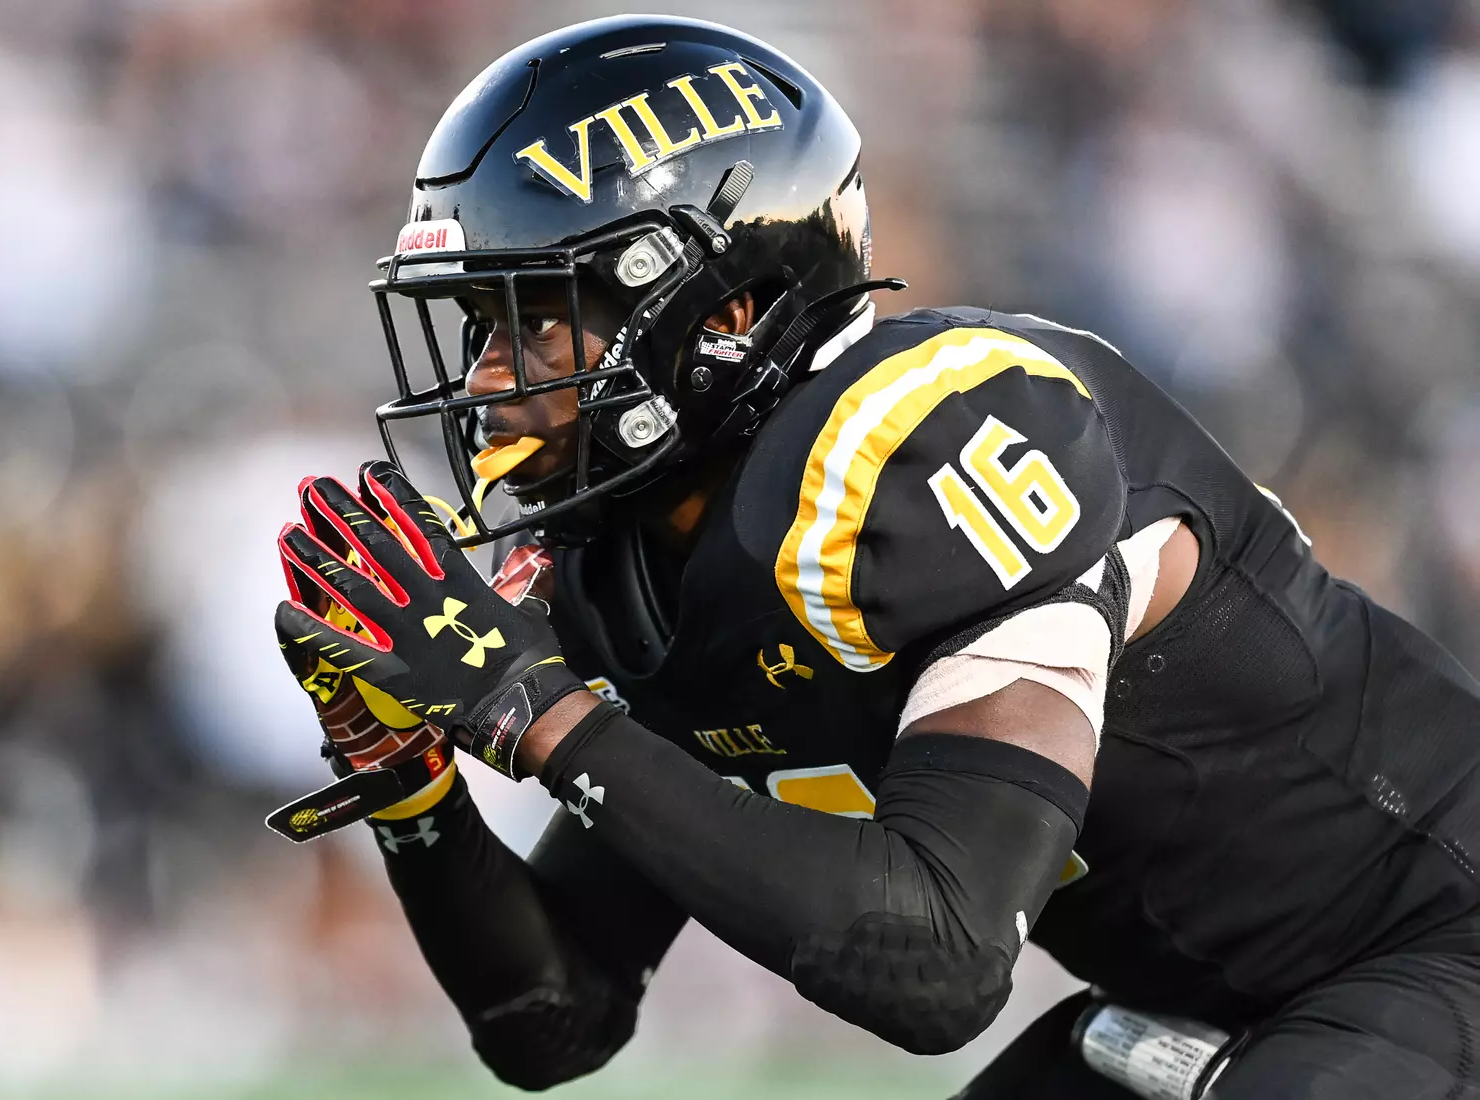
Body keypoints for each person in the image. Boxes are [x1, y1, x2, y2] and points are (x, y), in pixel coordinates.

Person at [268, 16, 1480, 1098]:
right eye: (479, 327)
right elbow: (554, 1019)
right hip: (1208, 992)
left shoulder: (931, 434)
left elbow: (941, 965)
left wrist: (534, 706)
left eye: (532, 320)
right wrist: (411, 786)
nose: (489, 383)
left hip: (1435, 940)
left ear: (719, 314)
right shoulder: (632, 560)